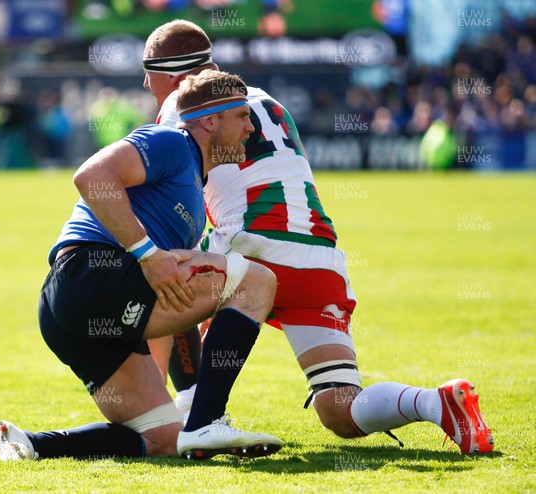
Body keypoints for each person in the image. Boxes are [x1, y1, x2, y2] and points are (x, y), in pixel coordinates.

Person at [142, 20, 494, 455]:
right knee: (339, 409)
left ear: (175, 75)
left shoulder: (186, 104)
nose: (145, 82)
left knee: (166, 280)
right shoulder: (268, 102)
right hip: (319, 258)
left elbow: (180, 205)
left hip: (253, 248)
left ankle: (185, 420)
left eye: (149, 71)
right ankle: (435, 402)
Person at [0, 69, 283, 461]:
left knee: (163, 439)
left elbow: (174, 297)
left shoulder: (194, 178)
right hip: (94, 276)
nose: (251, 126)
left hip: (68, 308)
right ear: (210, 120)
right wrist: (147, 252)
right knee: (258, 282)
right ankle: (208, 420)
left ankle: (30, 443)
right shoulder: (171, 141)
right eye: (242, 116)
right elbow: (91, 176)